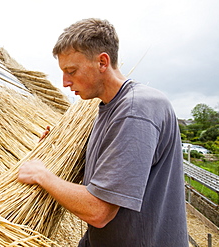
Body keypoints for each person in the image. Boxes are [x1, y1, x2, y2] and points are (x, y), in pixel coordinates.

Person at [17, 18, 188, 246]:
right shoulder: (107, 109)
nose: (65, 82)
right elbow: (105, 177)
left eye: (71, 71)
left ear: (102, 62)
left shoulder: (135, 110)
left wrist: (42, 175)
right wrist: (56, 148)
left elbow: (99, 211)